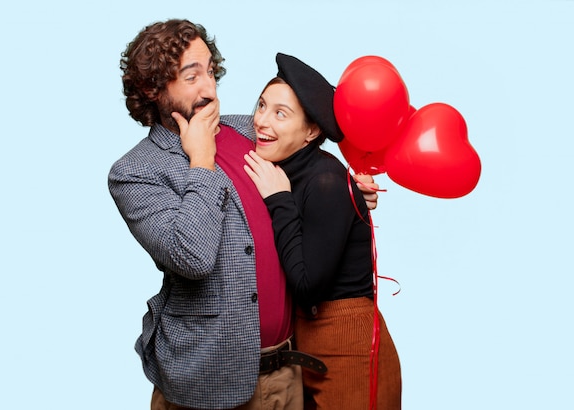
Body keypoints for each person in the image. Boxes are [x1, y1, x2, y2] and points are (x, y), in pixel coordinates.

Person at [108, 19, 379, 410]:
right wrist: (202, 160)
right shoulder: (136, 172)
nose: (209, 87)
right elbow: (192, 257)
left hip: (287, 374)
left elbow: (305, 171)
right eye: (191, 76)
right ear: (153, 89)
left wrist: (347, 193)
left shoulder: (246, 130)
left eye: (209, 70)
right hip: (206, 382)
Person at [243, 53, 401, 409]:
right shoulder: (285, 165)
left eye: (280, 114)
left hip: (350, 350)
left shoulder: (326, 181)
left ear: (311, 131)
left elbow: (307, 285)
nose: (261, 121)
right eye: (262, 105)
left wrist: (280, 199)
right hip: (308, 348)